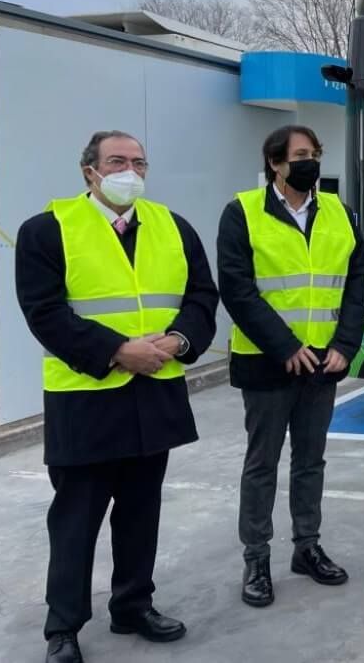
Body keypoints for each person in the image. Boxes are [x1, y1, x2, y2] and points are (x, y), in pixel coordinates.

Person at [16, 131, 218, 663]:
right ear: (90, 170)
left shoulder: (174, 226)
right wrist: (116, 350)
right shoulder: (47, 230)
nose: (130, 170)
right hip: (86, 397)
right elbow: (45, 312)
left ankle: (132, 605)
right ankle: (64, 626)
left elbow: (201, 296)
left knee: (141, 511)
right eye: (117, 161)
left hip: (155, 392)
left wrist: (179, 341)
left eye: (138, 162)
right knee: (76, 517)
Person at [217, 125, 364, 606]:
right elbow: (238, 289)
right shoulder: (241, 212)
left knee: (311, 461)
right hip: (267, 364)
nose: (311, 162)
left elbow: (355, 284)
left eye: (316, 153)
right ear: (275, 163)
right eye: (301, 154)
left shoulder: (340, 214)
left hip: (324, 362)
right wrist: (284, 347)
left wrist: (346, 342)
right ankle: (256, 558)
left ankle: (307, 546)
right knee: (262, 464)